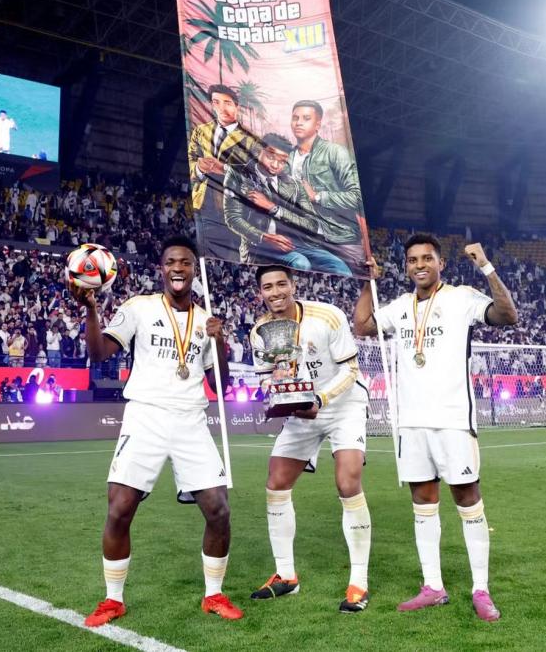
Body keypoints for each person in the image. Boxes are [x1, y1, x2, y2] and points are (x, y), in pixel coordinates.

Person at [70, 235, 243, 626]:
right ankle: (113, 600)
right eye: (171, 262)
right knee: (119, 509)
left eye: (184, 262)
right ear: (161, 268)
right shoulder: (139, 308)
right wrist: (92, 310)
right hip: (145, 416)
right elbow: (99, 354)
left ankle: (213, 595)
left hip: (191, 420)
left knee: (218, 510)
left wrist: (221, 344)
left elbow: (220, 387)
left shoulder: (207, 320)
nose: (178, 268)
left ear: (193, 270)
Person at [353, 234, 518, 621]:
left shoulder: (461, 297)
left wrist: (486, 266)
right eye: (412, 260)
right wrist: (366, 281)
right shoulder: (400, 307)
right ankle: (433, 586)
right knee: (423, 504)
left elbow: (508, 315)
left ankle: (481, 588)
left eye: (427, 258)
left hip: (452, 422)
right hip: (411, 424)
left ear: (440, 262)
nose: (419, 265)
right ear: (407, 266)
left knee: (467, 500)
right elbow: (362, 325)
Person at [250, 265, 371, 613]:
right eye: (267, 287)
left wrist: (320, 400)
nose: (275, 292)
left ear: (293, 285)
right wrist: (274, 397)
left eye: (281, 284)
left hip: (342, 405)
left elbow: (351, 370)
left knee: (348, 483)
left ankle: (358, 583)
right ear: (261, 292)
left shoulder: (327, 316)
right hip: (301, 412)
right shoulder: (260, 331)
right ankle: (286, 576)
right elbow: (264, 380)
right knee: (276, 483)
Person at [223, 133, 352, 275]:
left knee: (340, 267)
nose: (275, 165)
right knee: (300, 263)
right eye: (270, 157)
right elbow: (233, 218)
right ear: (258, 151)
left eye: (282, 161)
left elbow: (313, 224)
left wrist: (274, 208)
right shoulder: (238, 175)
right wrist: (265, 237)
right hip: (261, 245)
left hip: (296, 244)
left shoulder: (294, 186)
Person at [288, 100, 366, 273]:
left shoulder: (335, 152)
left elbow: (358, 197)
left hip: (341, 238)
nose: (299, 122)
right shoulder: (286, 158)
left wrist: (317, 197)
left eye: (306, 118)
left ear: (318, 124)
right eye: (295, 118)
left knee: (358, 283)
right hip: (305, 240)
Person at [187, 84, 257, 251]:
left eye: (227, 103)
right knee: (204, 249)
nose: (222, 108)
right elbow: (190, 159)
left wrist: (225, 168)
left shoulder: (250, 139)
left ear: (236, 106)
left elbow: (256, 175)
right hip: (203, 202)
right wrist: (199, 168)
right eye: (216, 102)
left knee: (231, 252)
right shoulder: (200, 131)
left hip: (232, 204)